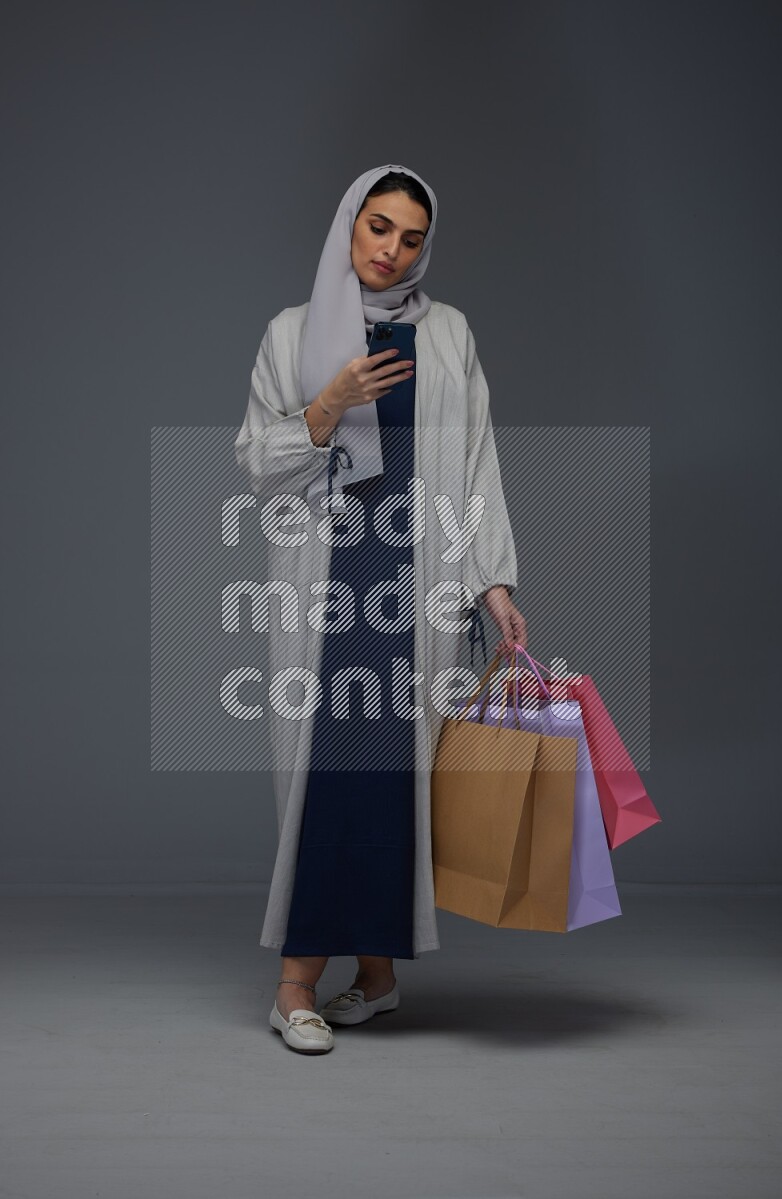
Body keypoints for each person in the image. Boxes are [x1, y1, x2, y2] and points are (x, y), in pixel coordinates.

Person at [234, 164, 526, 1053]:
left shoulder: (448, 336)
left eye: (409, 237)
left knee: (397, 779)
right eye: (377, 228)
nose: (390, 251)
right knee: (328, 776)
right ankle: (296, 985)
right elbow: (255, 464)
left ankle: (376, 975)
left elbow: (476, 461)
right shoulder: (292, 335)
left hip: (414, 582)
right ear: (347, 227)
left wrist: (494, 582)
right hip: (325, 583)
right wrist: (325, 407)